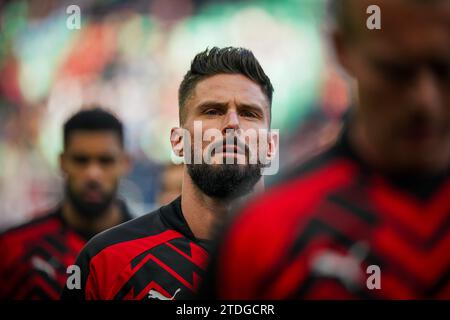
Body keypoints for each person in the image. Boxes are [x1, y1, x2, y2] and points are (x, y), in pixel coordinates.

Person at [203, 0, 450, 299]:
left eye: (443, 68)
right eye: (396, 72)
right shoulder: (264, 234)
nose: (425, 101)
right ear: (341, 49)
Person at [60, 47, 277, 300]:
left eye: (249, 113)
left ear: (270, 146)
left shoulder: (310, 257)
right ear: (177, 142)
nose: (233, 123)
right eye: (212, 111)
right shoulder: (106, 261)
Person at [0, 108, 133, 299]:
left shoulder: (152, 252)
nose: (93, 174)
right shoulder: (12, 249)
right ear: (62, 162)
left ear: (125, 163)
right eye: (81, 160)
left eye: (105, 161)